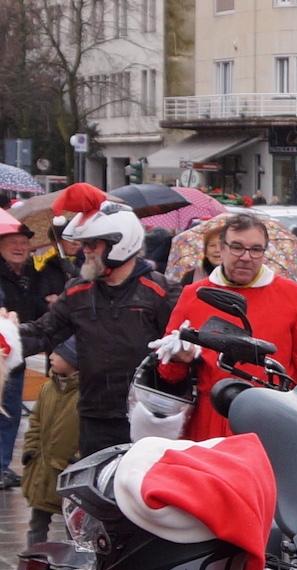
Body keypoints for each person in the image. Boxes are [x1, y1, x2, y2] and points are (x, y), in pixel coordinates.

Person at [2, 184, 179, 455]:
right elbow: (43, 332)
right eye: (84, 244)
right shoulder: (78, 290)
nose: (85, 251)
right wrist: (7, 335)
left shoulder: (161, 292)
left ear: (121, 242)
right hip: (94, 415)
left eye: (92, 244)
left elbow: (182, 351)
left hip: (148, 419)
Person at [152, 212, 297, 441]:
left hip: (271, 419)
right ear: (221, 249)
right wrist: (178, 359)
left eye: (256, 249)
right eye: (237, 247)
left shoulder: (294, 296)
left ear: (265, 252)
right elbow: (167, 373)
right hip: (209, 423)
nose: (246, 257)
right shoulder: (193, 295)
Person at [22, 339, 80, 546]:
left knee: (73, 526)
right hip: (42, 471)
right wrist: (30, 449)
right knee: (37, 524)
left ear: (73, 361)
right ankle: (31, 561)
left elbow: (90, 431)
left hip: (68, 473)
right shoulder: (47, 387)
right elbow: (36, 420)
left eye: (58, 354)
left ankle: (76, 565)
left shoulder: (85, 395)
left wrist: (79, 459)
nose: (51, 357)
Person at [0, 216, 42, 487]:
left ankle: (2, 465)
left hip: (18, 350)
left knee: (12, 409)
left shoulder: (33, 274)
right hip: (3, 347)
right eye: (12, 242)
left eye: (24, 243)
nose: (19, 247)